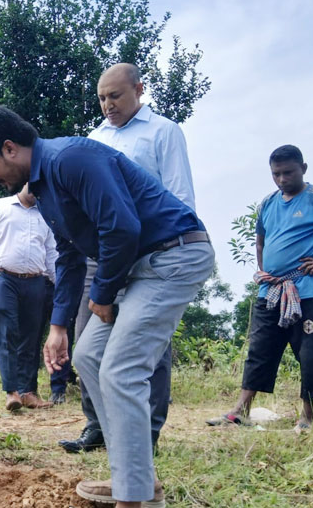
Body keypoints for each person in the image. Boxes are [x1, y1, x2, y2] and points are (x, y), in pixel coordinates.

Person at [0, 105, 214, 508]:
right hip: (136, 267)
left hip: (173, 256)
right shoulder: (43, 188)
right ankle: (135, 478)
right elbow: (69, 256)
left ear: (9, 148)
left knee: (121, 369)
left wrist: (103, 295)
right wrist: (59, 328)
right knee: (89, 356)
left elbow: (122, 226)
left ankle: (135, 499)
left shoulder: (70, 158)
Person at [60, 62, 197, 453]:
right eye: (102, 98)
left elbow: (179, 196)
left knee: (145, 341)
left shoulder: (163, 132)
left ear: (139, 89)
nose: (108, 105)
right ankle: (97, 425)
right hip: (102, 255)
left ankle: (146, 431)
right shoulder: (94, 138)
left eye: (115, 96)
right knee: (88, 340)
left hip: (151, 254)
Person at [208, 145, 313, 431]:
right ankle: (241, 411)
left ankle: (306, 417)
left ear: (303, 168)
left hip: (308, 289)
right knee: (260, 348)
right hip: (271, 290)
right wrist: (263, 269)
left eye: (288, 172)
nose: (282, 179)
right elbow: (260, 240)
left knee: (309, 352)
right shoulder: (268, 202)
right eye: (276, 174)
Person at [0, 184, 57, 411]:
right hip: (3, 277)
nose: (36, 190)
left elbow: (51, 251)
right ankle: (11, 391)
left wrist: (58, 283)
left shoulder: (47, 215)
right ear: (22, 182)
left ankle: (28, 391)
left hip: (36, 279)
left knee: (31, 336)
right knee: (7, 331)